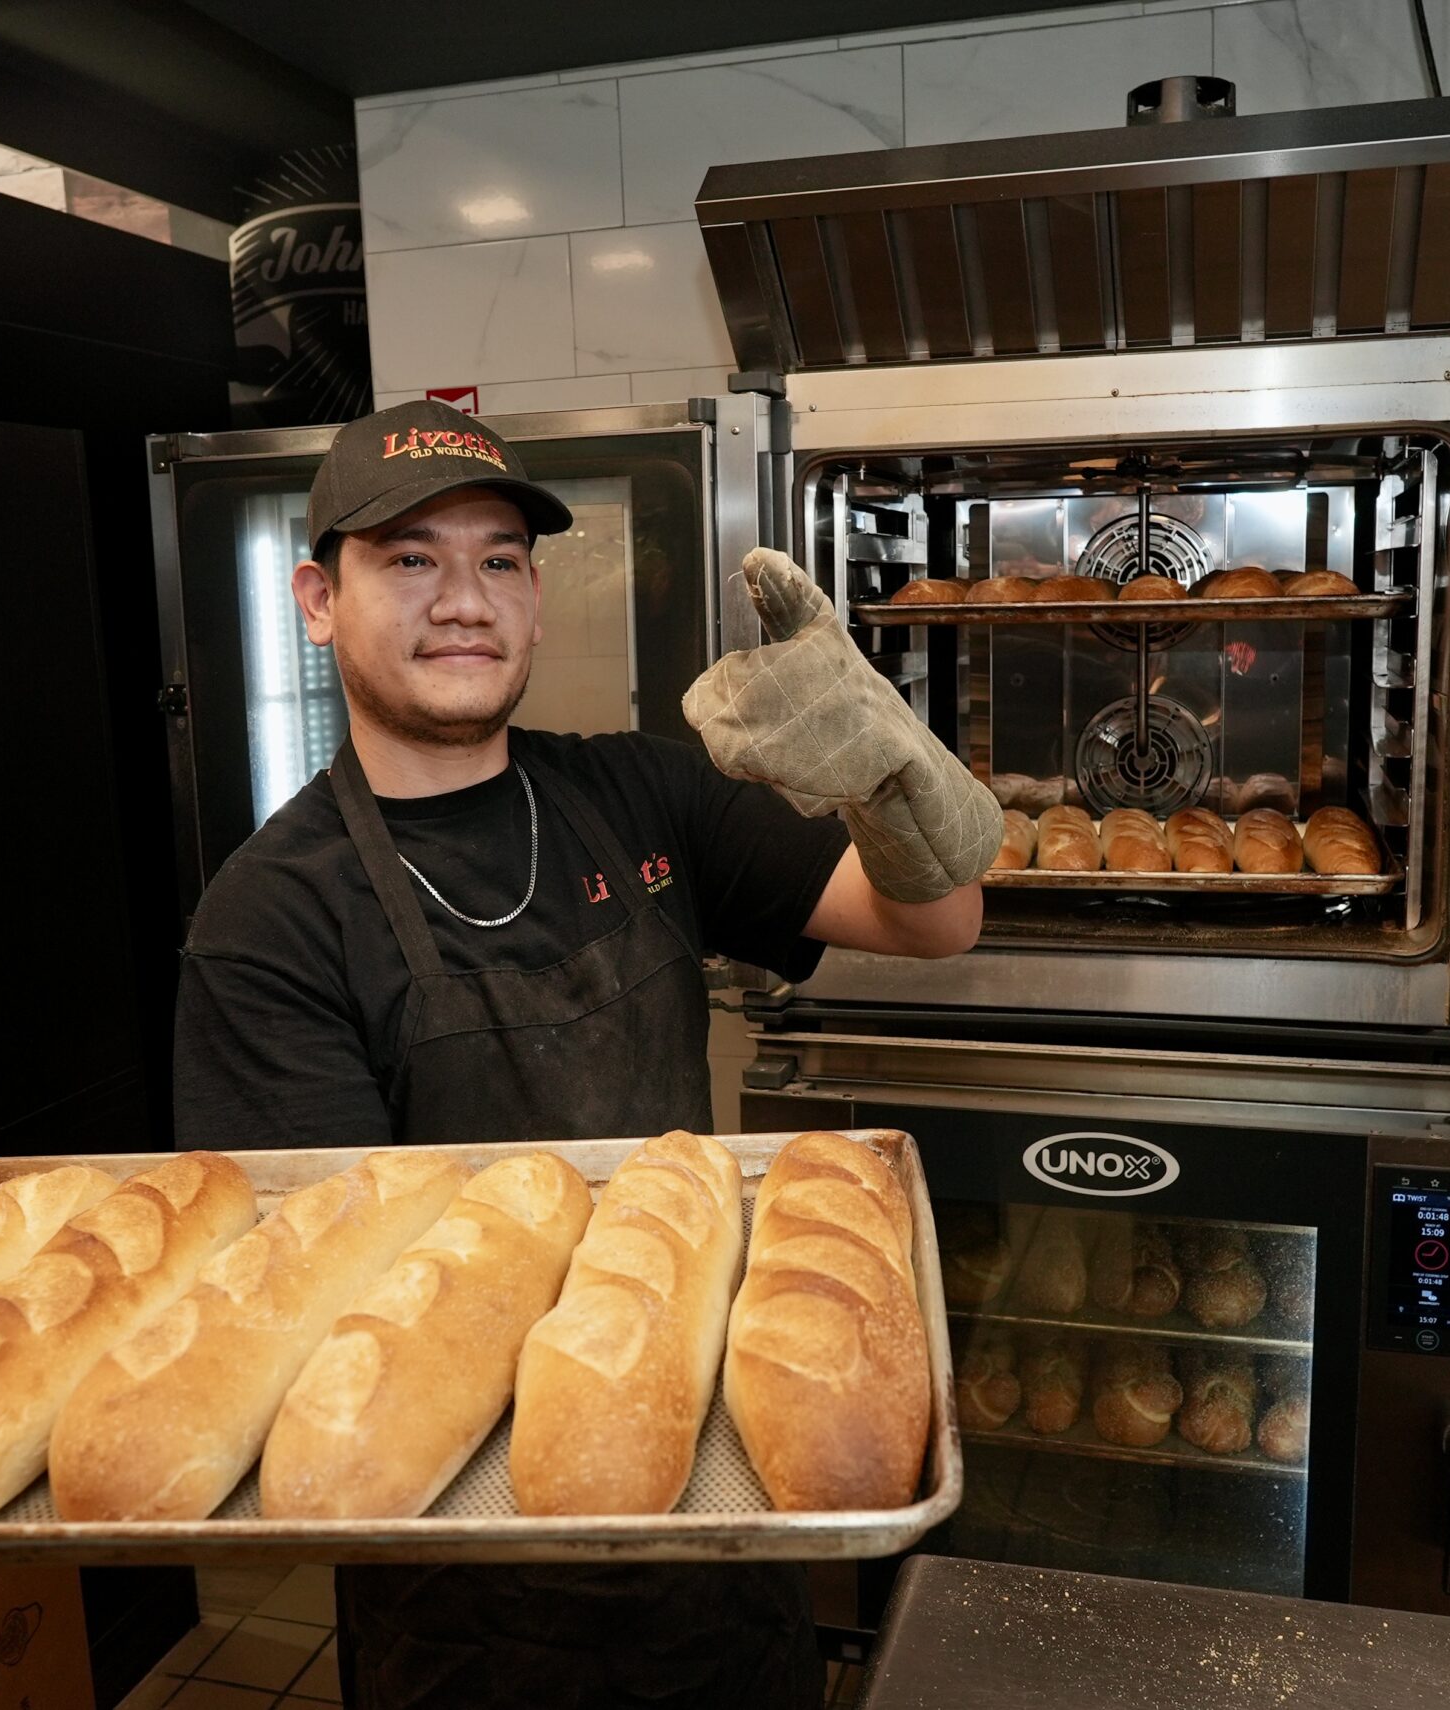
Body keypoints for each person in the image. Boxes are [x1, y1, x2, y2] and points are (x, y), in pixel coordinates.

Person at [171, 398, 1000, 1710]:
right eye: (410, 559)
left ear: (537, 600)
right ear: (319, 599)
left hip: (713, 1516)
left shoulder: (638, 793)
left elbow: (937, 921)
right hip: (465, 1586)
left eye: (499, 558)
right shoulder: (272, 916)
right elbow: (326, 1296)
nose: (464, 598)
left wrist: (885, 765)